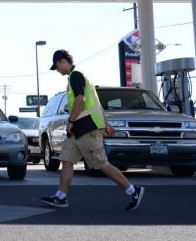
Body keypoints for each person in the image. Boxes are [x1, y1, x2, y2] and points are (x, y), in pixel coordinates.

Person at [40, 49, 145, 212]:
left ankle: (132, 191)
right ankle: (60, 197)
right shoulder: (79, 77)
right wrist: (106, 123)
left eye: (57, 66)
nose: (58, 70)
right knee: (67, 160)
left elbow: (80, 100)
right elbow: (95, 103)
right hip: (78, 131)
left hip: (86, 128)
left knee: (100, 164)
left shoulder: (76, 75)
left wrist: (71, 122)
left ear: (62, 61)